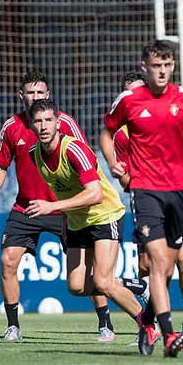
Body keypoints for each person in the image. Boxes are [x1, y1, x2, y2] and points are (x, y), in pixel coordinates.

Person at [0, 71, 136, 342]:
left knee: (94, 276)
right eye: (31, 93)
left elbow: (83, 163)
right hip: (27, 207)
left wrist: (60, 205)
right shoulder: (13, 129)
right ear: (22, 96)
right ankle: (13, 326)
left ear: (49, 98)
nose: (36, 98)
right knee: (8, 261)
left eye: (41, 93)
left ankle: (106, 324)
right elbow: (1, 165)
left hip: (66, 207)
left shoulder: (66, 127)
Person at [101, 40, 183, 357]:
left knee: (167, 268)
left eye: (167, 65)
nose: (163, 71)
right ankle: (169, 336)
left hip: (180, 191)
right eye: (157, 66)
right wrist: (112, 160)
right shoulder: (129, 100)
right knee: (156, 261)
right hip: (145, 190)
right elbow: (106, 132)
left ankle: (148, 322)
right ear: (145, 68)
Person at [27, 99, 144, 341]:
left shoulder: (74, 149)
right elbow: (63, 190)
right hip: (76, 222)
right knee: (77, 286)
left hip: (104, 214)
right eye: (38, 121)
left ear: (58, 123)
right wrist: (64, 222)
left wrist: (53, 207)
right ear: (31, 125)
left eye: (49, 120)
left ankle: (149, 324)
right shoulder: (34, 155)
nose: (44, 126)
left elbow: (95, 194)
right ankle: (134, 285)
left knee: (103, 282)